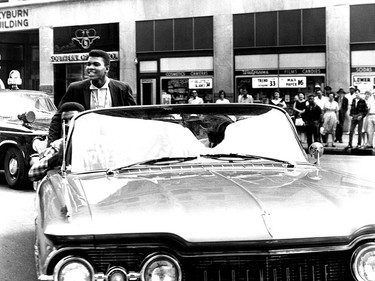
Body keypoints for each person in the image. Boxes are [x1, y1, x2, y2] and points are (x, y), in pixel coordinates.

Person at [48, 49, 136, 144]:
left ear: (107, 69)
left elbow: (134, 117)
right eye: (88, 64)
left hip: (115, 143)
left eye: (96, 64)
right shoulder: (75, 88)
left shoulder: (122, 89)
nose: (90, 67)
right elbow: (57, 118)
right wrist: (51, 146)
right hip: (86, 145)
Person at [28, 102, 85, 182]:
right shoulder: (59, 145)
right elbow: (32, 173)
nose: (68, 124)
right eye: (64, 121)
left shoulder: (94, 143)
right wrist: (53, 160)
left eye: (72, 119)